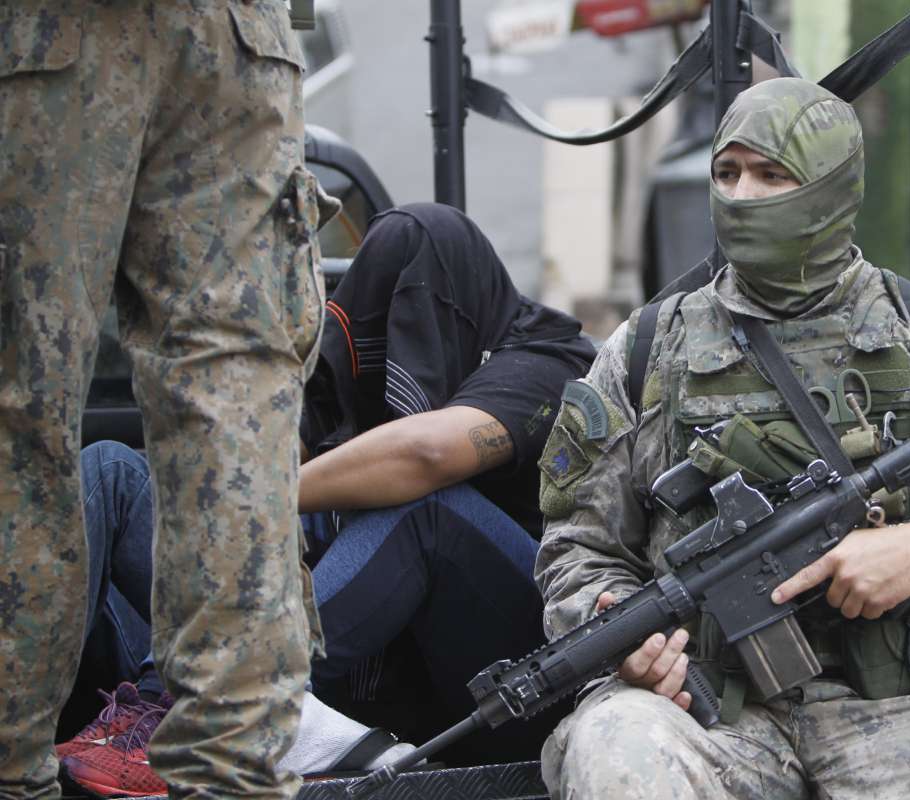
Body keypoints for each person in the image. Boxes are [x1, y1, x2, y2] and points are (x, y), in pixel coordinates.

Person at [534, 77, 910, 799]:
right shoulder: (647, 349)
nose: (742, 194)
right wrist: (625, 644)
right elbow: (577, 552)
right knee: (615, 752)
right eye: (727, 172)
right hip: (708, 713)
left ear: (834, 188)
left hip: (906, 705)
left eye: (771, 173)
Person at [55, 203, 596, 795]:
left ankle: (192, 707)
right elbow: (253, 458)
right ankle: (39, 717)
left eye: (410, 318)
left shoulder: (547, 359)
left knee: (418, 504)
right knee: (111, 471)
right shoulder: (351, 374)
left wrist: (250, 501)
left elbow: (424, 457)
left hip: (514, 676)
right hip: (358, 661)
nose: (394, 349)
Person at [0, 3, 326, 797]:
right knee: (233, 413)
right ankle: (231, 776)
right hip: (233, 38)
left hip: (42, 33)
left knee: (18, 417)